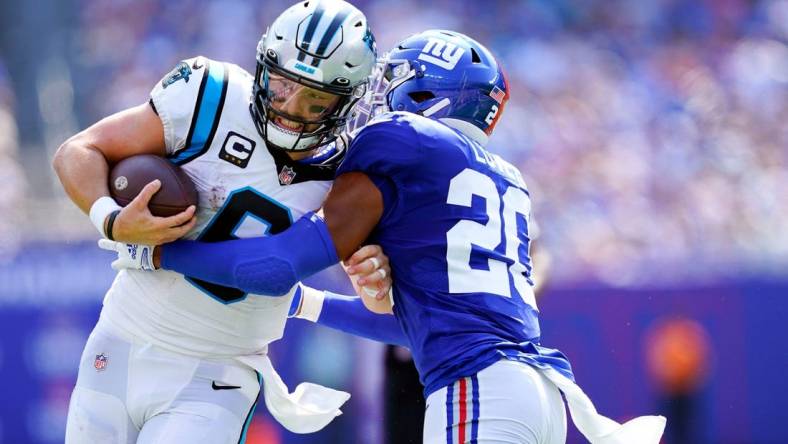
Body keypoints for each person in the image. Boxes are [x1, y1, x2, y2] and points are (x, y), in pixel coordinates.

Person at [106, 30, 666, 443]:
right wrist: (307, 303)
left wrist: (158, 251)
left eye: (392, 83)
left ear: (425, 95)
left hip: (478, 389)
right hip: (538, 396)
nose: (375, 97)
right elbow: (416, 324)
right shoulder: (506, 178)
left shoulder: (406, 139)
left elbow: (280, 261)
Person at [52, 1, 383, 442]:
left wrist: (374, 272)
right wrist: (110, 219)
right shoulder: (211, 96)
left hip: (220, 368)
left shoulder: (351, 174)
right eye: (283, 85)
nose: (291, 106)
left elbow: (377, 299)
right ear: (263, 65)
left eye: (316, 100)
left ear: (345, 103)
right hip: (122, 336)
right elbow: (79, 151)